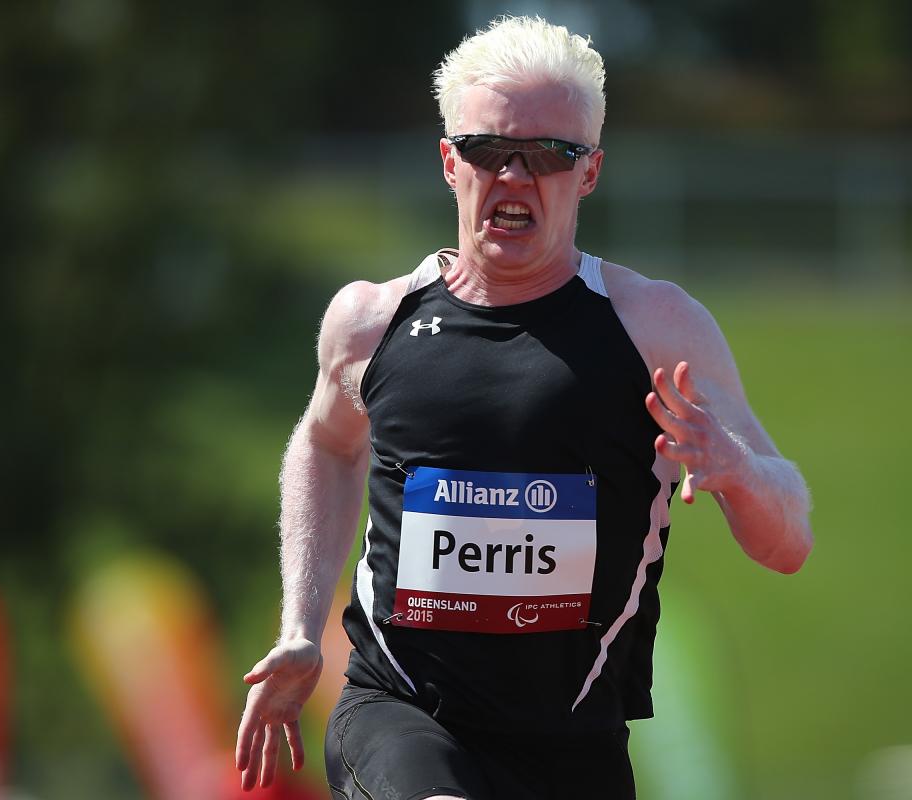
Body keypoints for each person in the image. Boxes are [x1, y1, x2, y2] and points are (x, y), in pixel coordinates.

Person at [235, 15, 813, 800]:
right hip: (400, 712)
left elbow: (789, 542)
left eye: (548, 154)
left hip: (574, 742)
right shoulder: (372, 322)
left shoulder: (655, 327)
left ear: (590, 174)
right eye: (485, 150)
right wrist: (301, 631)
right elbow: (328, 447)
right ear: (449, 162)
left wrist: (738, 470)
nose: (513, 175)